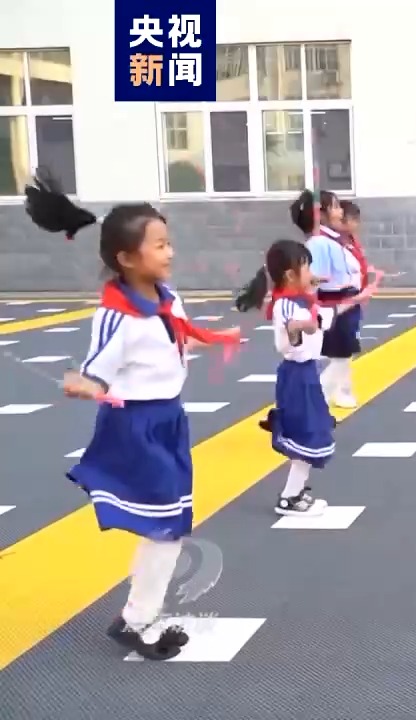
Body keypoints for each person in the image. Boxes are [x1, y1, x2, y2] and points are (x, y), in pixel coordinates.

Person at [26, 169, 240, 660]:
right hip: (136, 426)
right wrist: (86, 384)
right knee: (166, 528)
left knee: (170, 526)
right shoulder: (115, 314)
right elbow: (98, 370)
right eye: (159, 245)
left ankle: (138, 618)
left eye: (169, 242)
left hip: (169, 421)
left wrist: (213, 339)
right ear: (126, 258)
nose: (170, 252)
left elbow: (173, 335)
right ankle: (138, 621)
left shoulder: (166, 297)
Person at [235, 240, 370, 516]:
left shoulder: (302, 301)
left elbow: (325, 315)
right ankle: (289, 497)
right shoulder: (287, 305)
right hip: (297, 376)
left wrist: (354, 298)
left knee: (312, 432)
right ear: (290, 275)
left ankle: (294, 492)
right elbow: (291, 333)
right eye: (307, 267)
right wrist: (300, 327)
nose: (312, 273)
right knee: (308, 434)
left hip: (306, 373)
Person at [298, 191, 364, 409]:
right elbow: (313, 280)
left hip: (345, 298)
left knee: (344, 352)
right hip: (335, 301)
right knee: (341, 353)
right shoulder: (320, 242)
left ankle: (341, 391)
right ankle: (320, 394)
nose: (340, 212)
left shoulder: (334, 239)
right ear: (321, 214)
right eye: (335, 207)